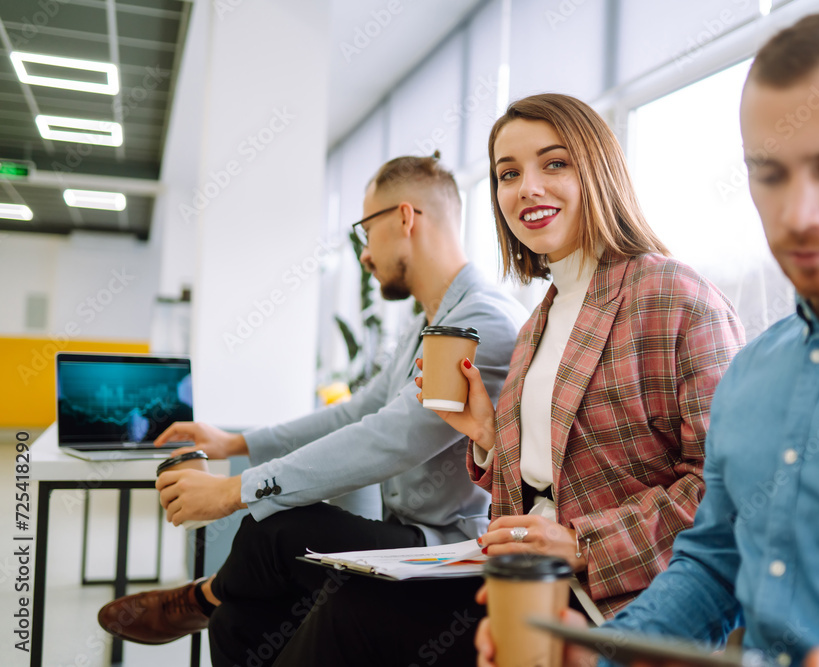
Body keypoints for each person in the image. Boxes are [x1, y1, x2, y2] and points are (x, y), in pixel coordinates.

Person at [501, 13, 819, 667]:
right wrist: (599, 657)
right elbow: (713, 568)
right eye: (769, 173)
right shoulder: (754, 371)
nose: (797, 213)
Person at [271, 93, 745, 666]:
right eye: (508, 174)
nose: (527, 189)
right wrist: (488, 436)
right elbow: (549, 486)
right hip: (524, 589)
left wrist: (581, 543)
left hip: (620, 610)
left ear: (598, 170)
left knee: (346, 614)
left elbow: (726, 494)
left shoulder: (674, 296)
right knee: (338, 600)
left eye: (554, 164)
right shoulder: (539, 320)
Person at [96, 154, 528, 667]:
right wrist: (235, 443)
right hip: (407, 536)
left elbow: (393, 437)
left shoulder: (483, 322)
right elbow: (355, 412)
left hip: (448, 550)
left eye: (366, 230)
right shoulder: (425, 324)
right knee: (238, 618)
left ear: (404, 218)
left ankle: (201, 597)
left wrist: (234, 491)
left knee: (272, 530)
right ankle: (212, 601)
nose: (364, 254)